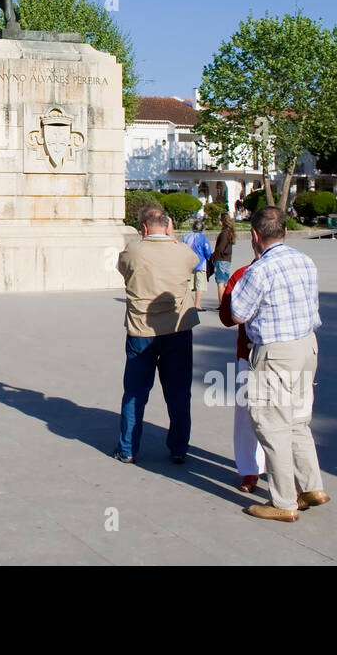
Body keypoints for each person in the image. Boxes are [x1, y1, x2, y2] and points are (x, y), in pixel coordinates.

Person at [229, 206, 328, 522]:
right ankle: (312, 486)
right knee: (299, 419)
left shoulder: (259, 270)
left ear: (255, 236)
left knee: (272, 425)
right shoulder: (305, 260)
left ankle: (284, 502)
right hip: (307, 346)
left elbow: (237, 314)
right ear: (283, 231)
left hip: (276, 352)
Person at [112, 204, 200, 465]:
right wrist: (172, 238)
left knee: (135, 392)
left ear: (143, 227)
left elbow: (123, 269)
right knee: (179, 392)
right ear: (168, 224)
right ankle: (179, 448)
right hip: (177, 328)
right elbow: (193, 265)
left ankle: (127, 448)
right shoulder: (181, 251)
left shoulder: (134, 250)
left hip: (142, 328)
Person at [219, 259, 267, 492]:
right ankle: (290, 477)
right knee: (289, 414)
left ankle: (251, 470)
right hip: (287, 353)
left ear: (256, 237)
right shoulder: (299, 265)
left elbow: (227, 317)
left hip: (251, 352)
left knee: (248, 414)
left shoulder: (242, 274)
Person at [182, 218, 214, 311]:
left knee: (189, 285)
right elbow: (207, 252)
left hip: (188, 263)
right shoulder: (203, 238)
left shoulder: (186, 237)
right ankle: (197, 304)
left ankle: (189, 304)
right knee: (200, 285)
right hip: (200, 264)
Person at [211, 212, 236, 301]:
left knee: (220, 283)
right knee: (225, 282)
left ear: (222, 221)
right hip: (227, 260)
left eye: (219, 220)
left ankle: (222, 304)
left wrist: (213, 256)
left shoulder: (224, 233)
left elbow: (220, 248)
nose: (218, 221)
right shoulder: (230, 232)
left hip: (221, 260)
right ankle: (225, 302)